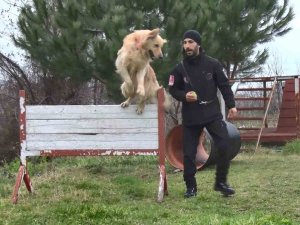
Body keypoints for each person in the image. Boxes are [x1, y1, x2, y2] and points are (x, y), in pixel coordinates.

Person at [168, 30, 238, 198]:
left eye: (190, 42)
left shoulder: (212, 64)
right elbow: (173, 89)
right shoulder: (179, 69)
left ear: (198, 44)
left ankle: (221, 183)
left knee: (223, 145)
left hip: (211, 113)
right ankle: (190, 187)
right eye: (185, 43)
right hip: (191, 116)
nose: (187, 46)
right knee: (189, 153)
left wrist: (231, 105)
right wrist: (184, 96)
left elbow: (224, 86)